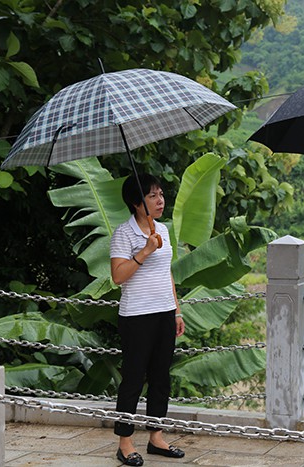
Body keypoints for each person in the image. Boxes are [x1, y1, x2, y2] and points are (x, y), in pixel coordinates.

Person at [110, 174, 186, 466]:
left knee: (160, 377)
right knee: (133, 378)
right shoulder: (123, 233)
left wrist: (176, 310)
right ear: (135, 202)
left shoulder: (163, 230)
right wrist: (145, 250)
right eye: (152, 196)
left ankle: (156, 436)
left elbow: (166, 273)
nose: (160, 200)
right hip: (136, 315)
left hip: (164, 312)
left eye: (161, 194)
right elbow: (118, 276)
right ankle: (125, 442)